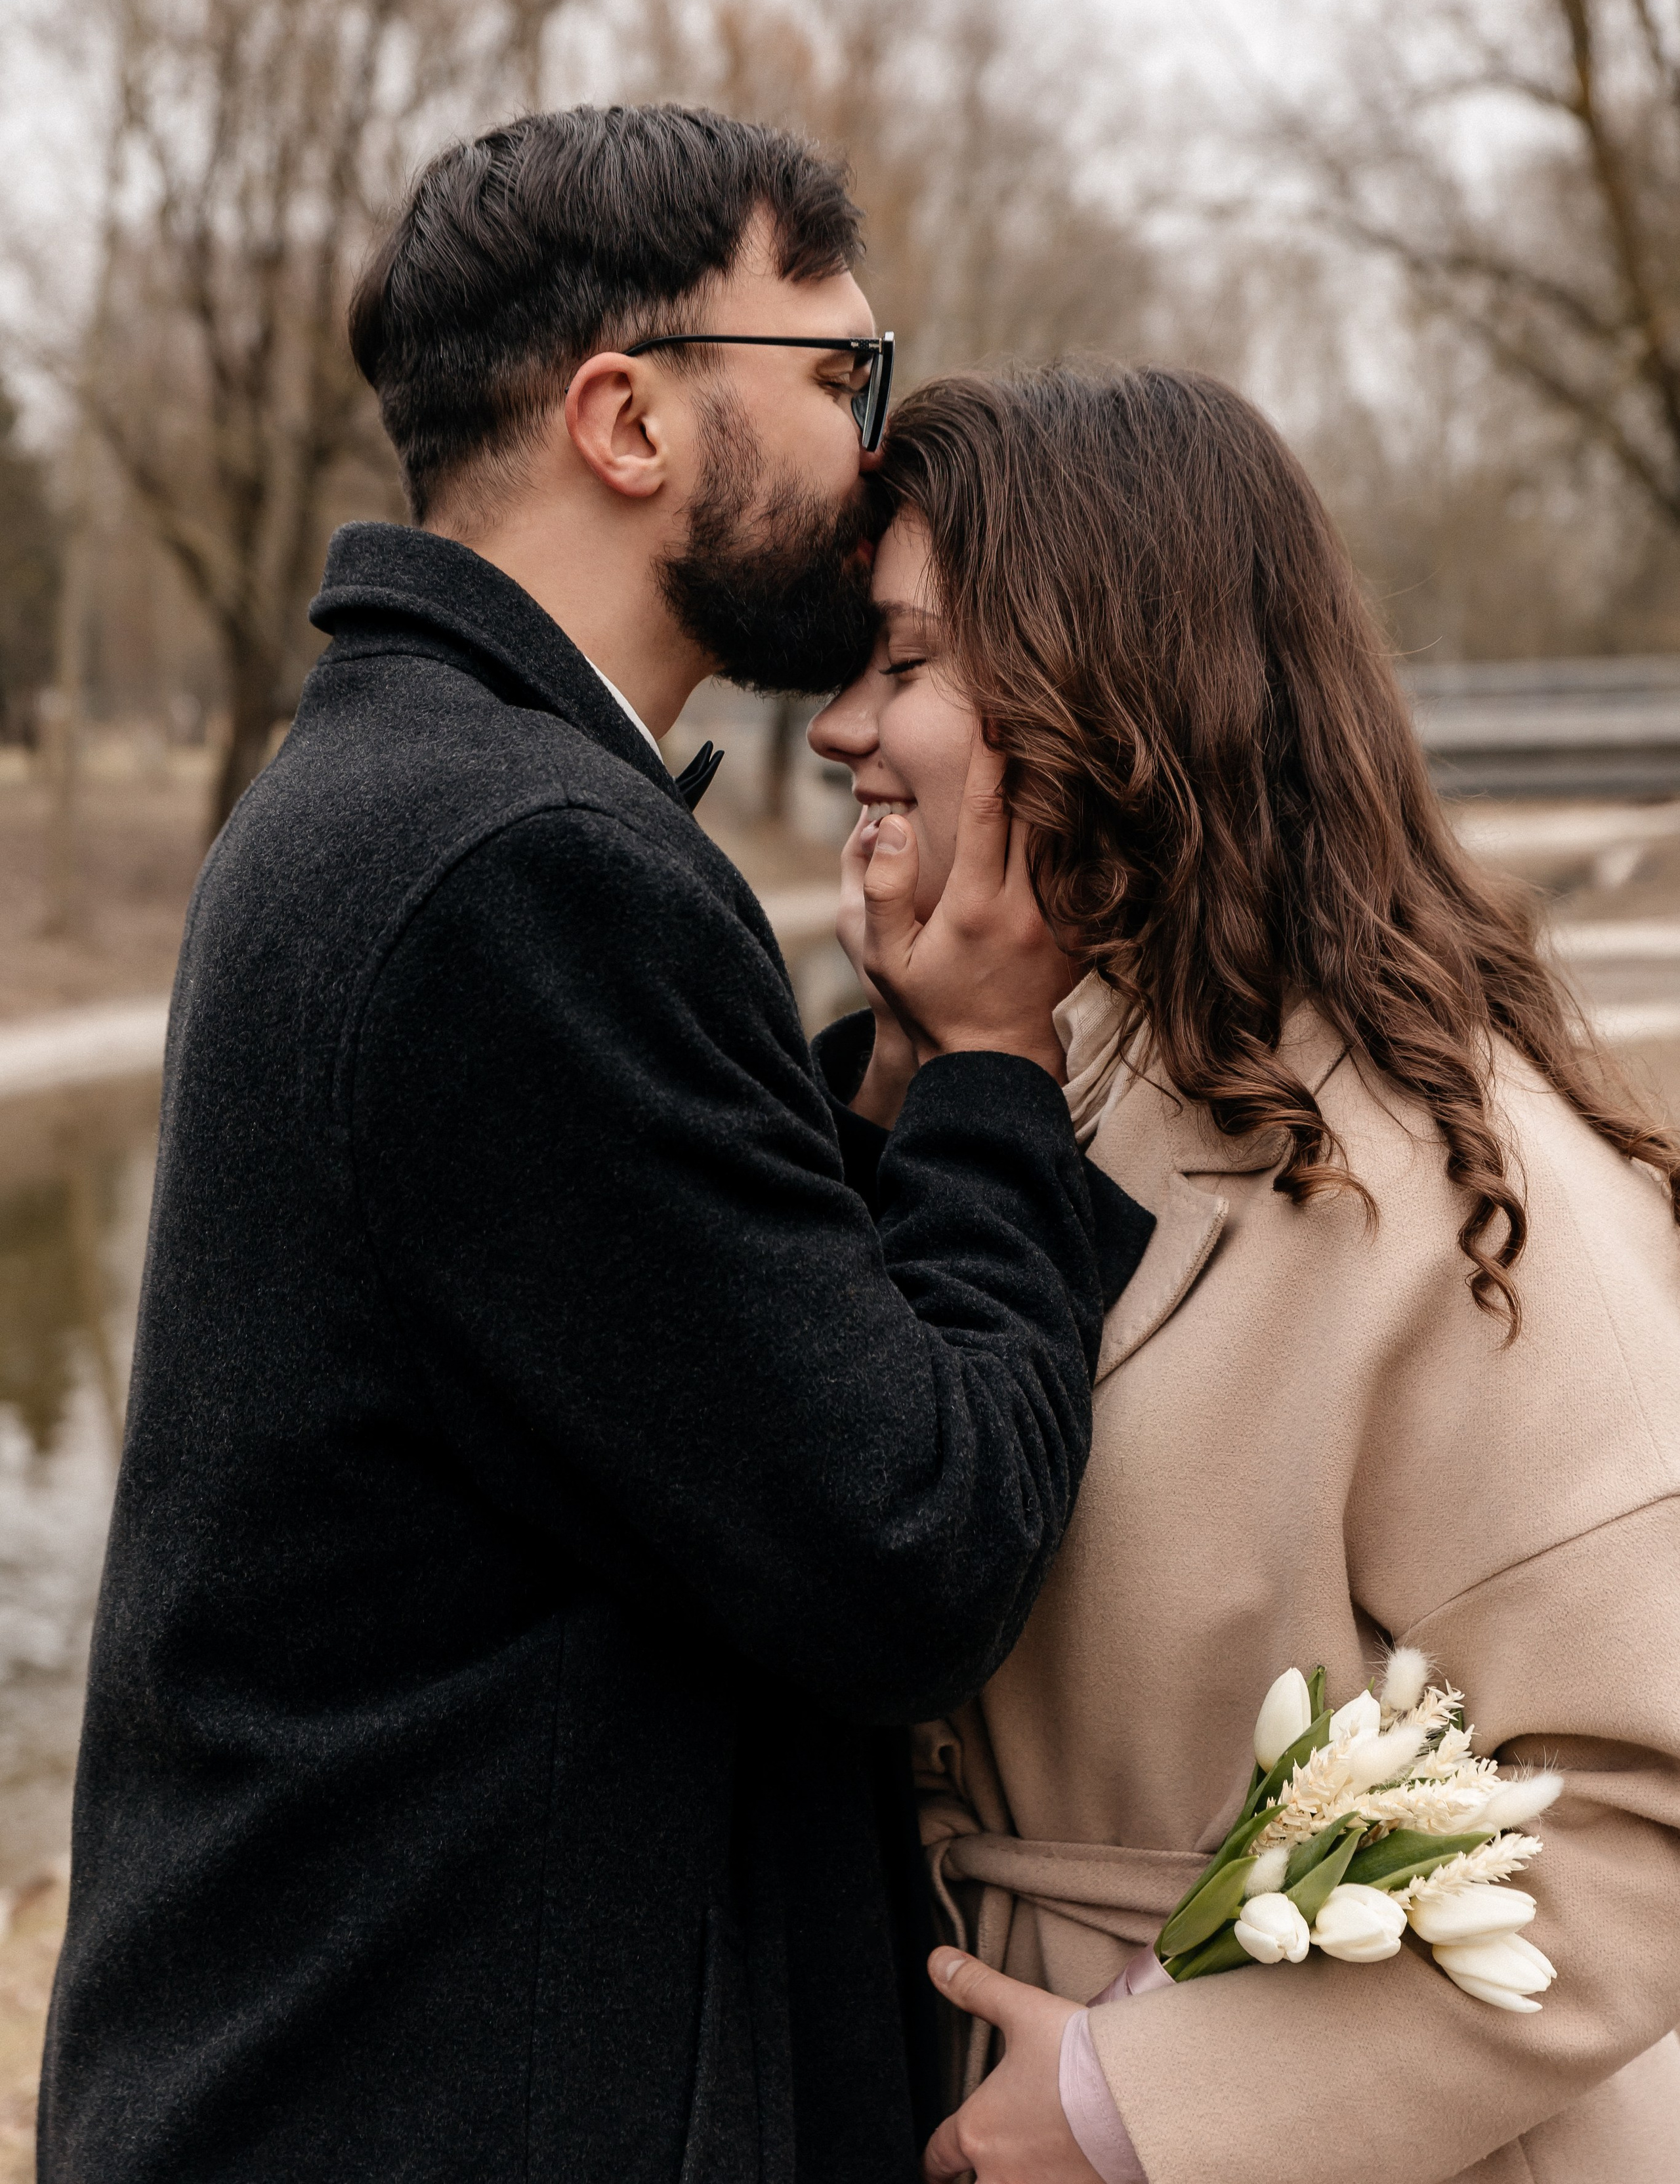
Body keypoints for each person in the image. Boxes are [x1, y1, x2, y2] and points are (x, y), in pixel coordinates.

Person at [39, 110, 1154, 2184]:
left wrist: (882, 1100)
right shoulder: (525, 866)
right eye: (840, 378)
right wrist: (997, 1070)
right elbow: (907, 1550)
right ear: (628, 420)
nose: (875, 457)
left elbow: (653, 1375)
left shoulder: (386, 791)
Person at [808, 362, 1680, 2184]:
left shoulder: (1467, 1180)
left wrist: (1148, 2107)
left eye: (903, 661)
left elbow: (1640, 1808)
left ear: (1099, 690)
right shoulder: (1023, 1083)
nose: (837, 729)